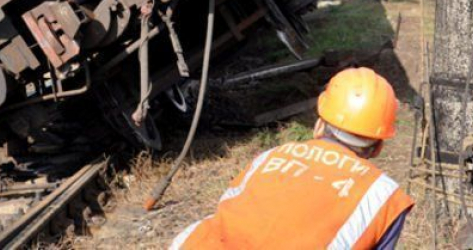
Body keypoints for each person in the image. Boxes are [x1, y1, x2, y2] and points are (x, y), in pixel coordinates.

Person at [171, 68, 414, 250]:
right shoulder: (382, 197)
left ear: (319, 125)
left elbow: (228, 207)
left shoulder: (270, 156)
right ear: (378, 147)